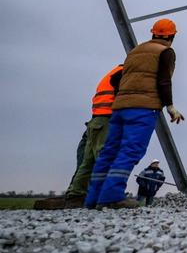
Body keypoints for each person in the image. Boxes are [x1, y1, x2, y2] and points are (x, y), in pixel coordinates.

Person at [85, 19, 185, 210]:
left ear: (153, 33)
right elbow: (164, 80)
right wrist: (170, 106)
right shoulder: (166, 52)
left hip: (119, 108)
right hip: (143, 109)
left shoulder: (135, 51)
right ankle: (111, 197)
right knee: (130, 150)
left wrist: (126, 94)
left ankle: (93, 199)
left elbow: (116, 78)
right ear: (172, 36)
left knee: (110, 151)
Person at [34, 64, 124, 210]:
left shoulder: (116, 70)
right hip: (106, 120)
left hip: (97, 121)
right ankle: (107, 197)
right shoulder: (125, 72)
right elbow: (125, 98)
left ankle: (76, 197)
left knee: (88, 162)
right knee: (105, 158)